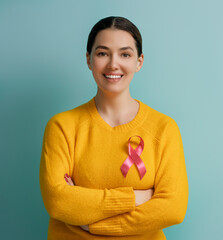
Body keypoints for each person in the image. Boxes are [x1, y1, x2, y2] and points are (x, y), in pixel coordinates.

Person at [39, 16, 188, 240]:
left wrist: (95, 222)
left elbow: (173, 208)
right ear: (89, 59)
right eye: (102, 53)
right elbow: (59, 202)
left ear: (139, 61)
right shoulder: (61, 127)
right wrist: (137, 197)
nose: (113, 64)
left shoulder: (164, 128)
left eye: (125, 54)